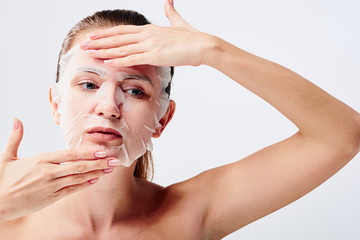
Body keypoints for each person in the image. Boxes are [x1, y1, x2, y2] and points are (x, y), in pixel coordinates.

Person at [1, 0, 360, 239]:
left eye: (136, 90)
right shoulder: (9, 216)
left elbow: (340, 136)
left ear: (163, 118)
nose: (109, 106)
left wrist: (213, 51)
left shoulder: (191, 215)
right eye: (89, 83)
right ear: (55, 103)